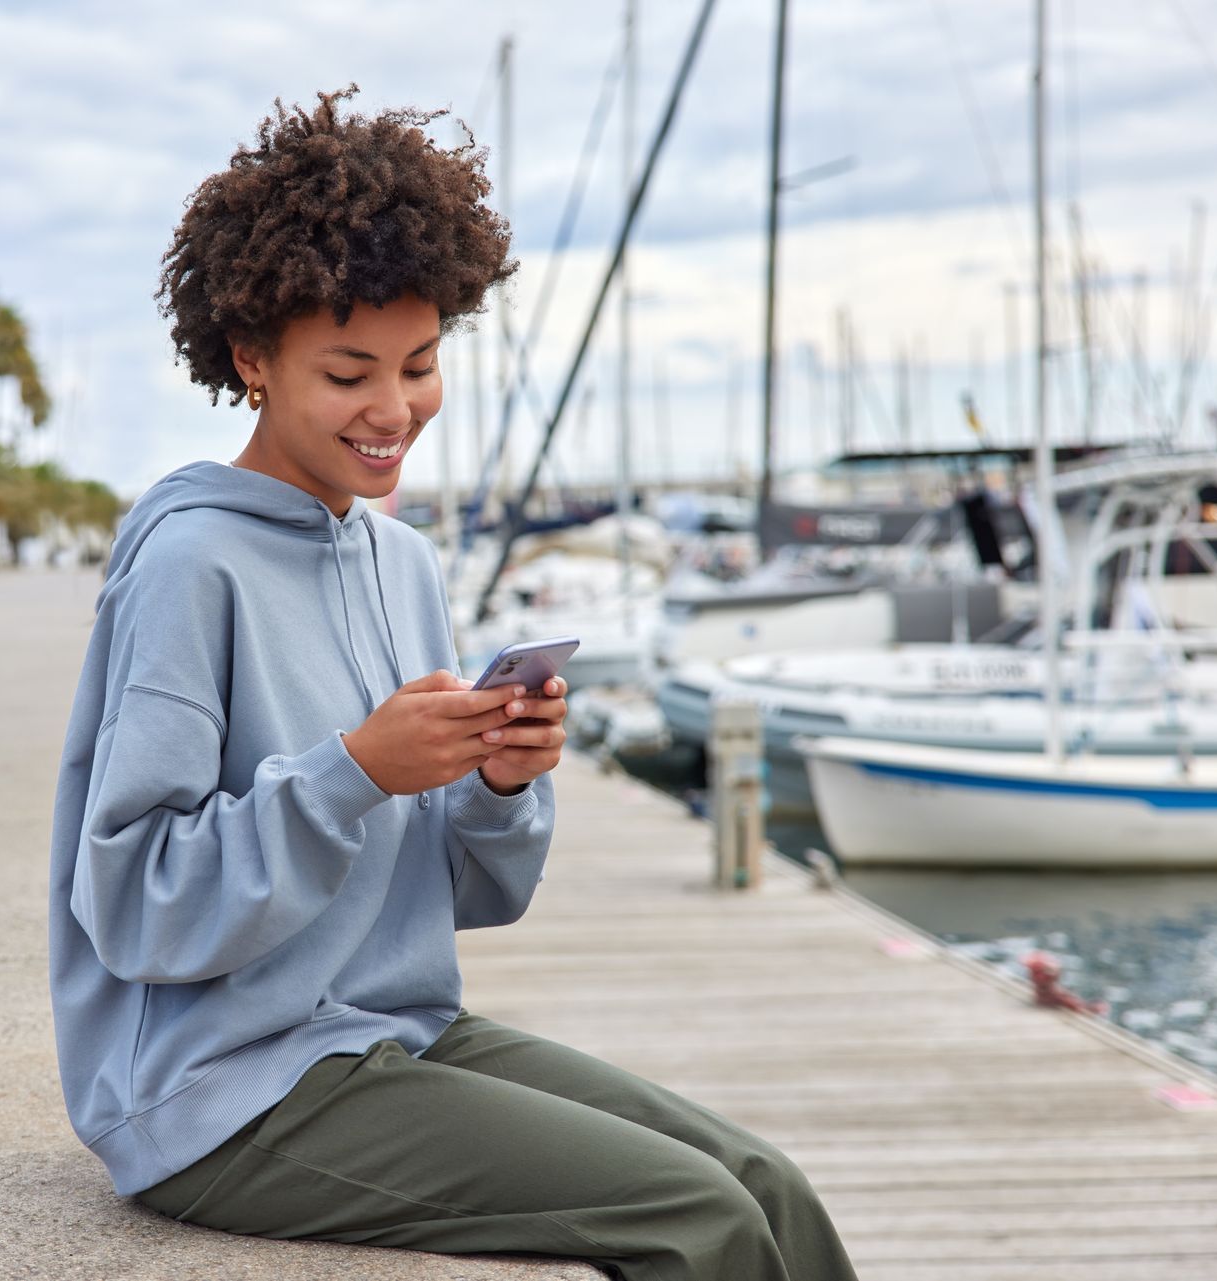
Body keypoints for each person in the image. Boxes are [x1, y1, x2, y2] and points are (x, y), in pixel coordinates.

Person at [47, 86, 859, 1281]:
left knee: (765, 1189)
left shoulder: (402, 559)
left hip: (392, 1033)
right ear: (251, 359)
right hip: (220, 1091)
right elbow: (133, 906)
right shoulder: (190, 563)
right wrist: (354, 773)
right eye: (349, 372)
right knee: (699, 1220)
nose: (394, 410)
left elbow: (464, 897)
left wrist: (496, 783)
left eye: (421, 366)